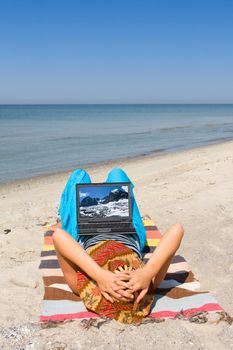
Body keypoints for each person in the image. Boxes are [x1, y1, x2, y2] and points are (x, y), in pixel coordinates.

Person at [51, 167, 184, 323]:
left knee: (78, 176)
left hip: (86, 232)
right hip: (129, 231)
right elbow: (177, 230)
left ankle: (64, 218)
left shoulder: (82, 286)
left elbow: (59, 237)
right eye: (130, 283)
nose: (122, 277)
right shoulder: (148, 282)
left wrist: (99, 275)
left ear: (104, 291)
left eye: (118, 283)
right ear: (140, 291)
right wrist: (147, 272)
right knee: (117, 173)